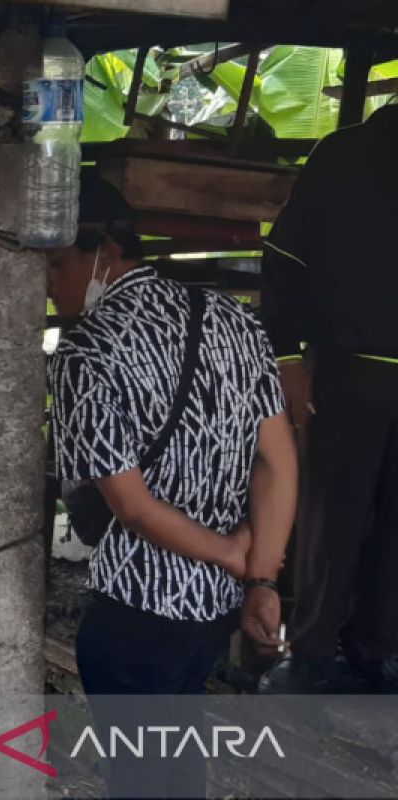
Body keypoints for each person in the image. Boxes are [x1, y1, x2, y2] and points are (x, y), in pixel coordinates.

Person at [48, 177, 298, 797]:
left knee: (137, 780)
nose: (45, 285)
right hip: (211, 613)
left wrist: (232, 554)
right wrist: (258, 577)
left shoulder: (84, 352)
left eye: (54, 265)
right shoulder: (233, 321)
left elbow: (132, 509)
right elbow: (278, 462)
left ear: (102, 252)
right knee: (178, 764)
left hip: (136, 612)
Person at [259, 99, 398, 694]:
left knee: (348, 517)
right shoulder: (345, 154)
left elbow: (284, 256)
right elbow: (287, 257)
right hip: (351, 364)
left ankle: (359, 647)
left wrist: (291, 353)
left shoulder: (344, 151)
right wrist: (287, 354)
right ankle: (325, 647)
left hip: (353, 365)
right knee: (337, 515)